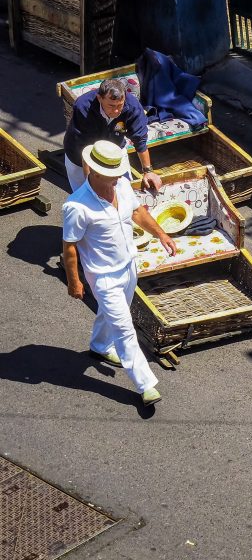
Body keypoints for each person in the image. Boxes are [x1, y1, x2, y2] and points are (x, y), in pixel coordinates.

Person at [62, 141, 176, 407]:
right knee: (124, 329)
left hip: (129, 265)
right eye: (111, 175)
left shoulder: (122, 185)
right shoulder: (76, 206)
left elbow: (137, 212)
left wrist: (161, 233)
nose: (116, 180)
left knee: (113, 312)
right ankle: (145, 384)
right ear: (94, 171)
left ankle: (100, 346)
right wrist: (74, 281)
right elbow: (69, 247)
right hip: (102, 277)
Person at [64, 78, 162, 193]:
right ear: (99, 98)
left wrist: (148, 171)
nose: (116, 111)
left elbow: (140, 139)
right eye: (111, 106)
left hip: (115, 150)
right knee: (86, 196)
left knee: (124, 193)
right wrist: (90, 187)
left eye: (120, 105)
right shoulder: (83, 107)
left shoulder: (133, 106)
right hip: (80, 155)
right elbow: (85, 149)